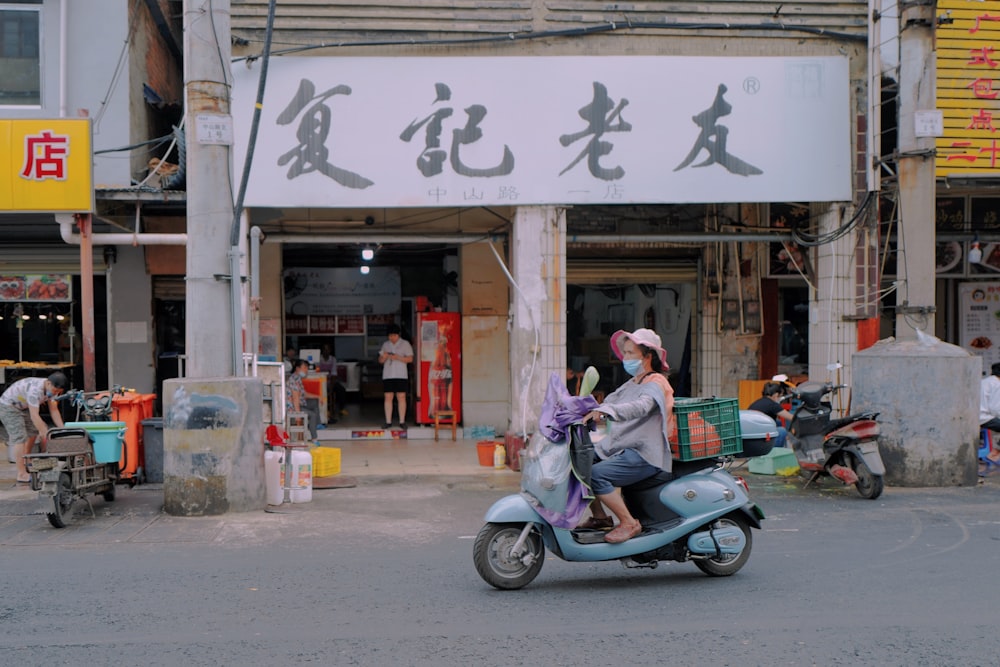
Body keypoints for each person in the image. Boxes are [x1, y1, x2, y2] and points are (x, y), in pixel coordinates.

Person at [579, 328, 674, 544]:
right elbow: (610, 402)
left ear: (648, 356)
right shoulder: (633, 383)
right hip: (625, 447)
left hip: (646, 454)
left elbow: (640, 407)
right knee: (580, 461)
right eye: (625, 353)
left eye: (631, 353)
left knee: (595, 474)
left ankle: (629, 522)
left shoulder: (656, 383)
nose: (626, 358)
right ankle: (600, 518)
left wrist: (605, 412)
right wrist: (580, 409)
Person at [0, 372, 68, 483]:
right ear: (48, 383)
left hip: (23, 406)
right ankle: (21, 474)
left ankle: (26, 459)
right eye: (55, 391)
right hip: (8, 406)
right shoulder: (35, 390)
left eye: (58, 392)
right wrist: (44, 432)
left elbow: (54, 410)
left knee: (33, 431)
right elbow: (34, 415)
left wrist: (62, 429)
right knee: (20, 437)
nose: (55, 393)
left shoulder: (53, 390)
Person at [378, 323, 413, 429]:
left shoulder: (405, 344)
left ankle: (402, 421)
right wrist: (384, 357)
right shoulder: (385, 345)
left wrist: (398, 357)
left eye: (394, 335)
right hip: (388, 375)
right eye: (390, 336)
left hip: (401, 374)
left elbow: (410, 359)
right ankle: (388, 421)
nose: (392, 338)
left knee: (401, 397)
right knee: (388, 397)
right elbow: (380, 361)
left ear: (399, 334)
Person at [748, 381, 793, 448]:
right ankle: (776, 452)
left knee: (778, 423)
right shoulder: (772, 405)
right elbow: (791, 418)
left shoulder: (759, 402)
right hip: (760, 439)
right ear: (775, 395)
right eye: (780, 396)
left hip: (751, 436)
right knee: (782, 431)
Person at [286, 359, 320, 443]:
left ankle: (316, 424)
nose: (306, 370)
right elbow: (295, 398)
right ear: (297, 368)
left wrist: (318, 396)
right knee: (313, 415)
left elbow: (303, 394)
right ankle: (314, 438)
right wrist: (298, 415)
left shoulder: (298, 378)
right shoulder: (293, 380)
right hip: (294, 407)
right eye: (304, 367)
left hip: (301, 403)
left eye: (307, 368)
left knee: (314, 402)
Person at [316, 343, 348, 422]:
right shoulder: (318, 359)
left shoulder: (333, 359)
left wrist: (331, 386)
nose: (326, 351)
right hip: (320, 381)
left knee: (341, 390)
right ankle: (326, 410)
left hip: (330, 381)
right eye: (324, 349)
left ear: (330, 350)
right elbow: (316, 372)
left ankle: (341, 408)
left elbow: (334, 374)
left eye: (328, 349)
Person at [979, 363, 1000, 463]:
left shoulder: (985, 381)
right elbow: (995, 408)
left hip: (975, 415)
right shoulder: (997, 384)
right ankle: (995, 453)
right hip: (983, 417)